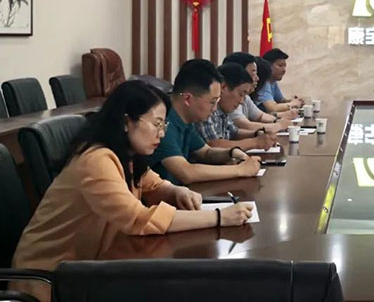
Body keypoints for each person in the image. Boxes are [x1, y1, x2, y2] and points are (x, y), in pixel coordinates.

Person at [11, 81, 252, 302]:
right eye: (157, 124)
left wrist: (175, 191)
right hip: (49, 280)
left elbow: (154, 185)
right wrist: (219, 217)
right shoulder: (96, 159)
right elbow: (138, 219)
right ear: (127, 122)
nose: (162, 133)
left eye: (164, 125)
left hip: (87, 270)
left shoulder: (125, 154)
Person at [148, 59, 265, 185]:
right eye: (212, 102)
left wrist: (231, 153)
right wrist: (240, 170)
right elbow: (186, 172)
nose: (214, 109)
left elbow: (205, 152)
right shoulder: (164, 122)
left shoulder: (187, 120)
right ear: (187, 99)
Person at [193, 62, 280, 148]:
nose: (241, 101)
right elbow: (214, 144)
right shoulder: (208, 108)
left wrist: (257, 134)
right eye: (241, 94)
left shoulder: (223, 109)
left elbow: (234, 133)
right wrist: (255, 142)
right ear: (224, 87)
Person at [221, 52, 296, 131]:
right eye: (253, 72)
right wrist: (278, 126)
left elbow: (260, 116)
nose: (257, 78)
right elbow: (245, 125)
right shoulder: (231, 98)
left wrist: (277, 121)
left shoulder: (245, 97)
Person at [257, 48, 304, 113]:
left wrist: (296, 101)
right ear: (268, 65)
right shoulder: (263, 83)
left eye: (284, 66)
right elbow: (272, 108)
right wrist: (293, 104)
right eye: (280, 65)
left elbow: (282, 101)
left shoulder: (273, 82)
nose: (284, 70)